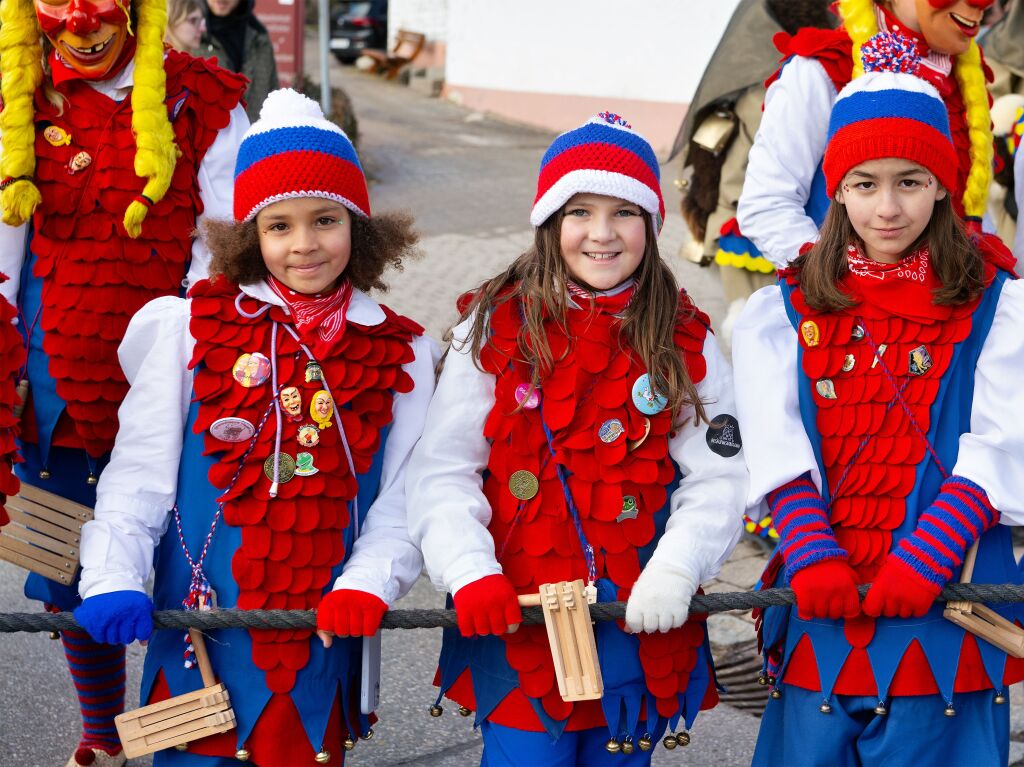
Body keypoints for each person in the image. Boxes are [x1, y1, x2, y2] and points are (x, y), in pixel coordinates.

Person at [73, 88, 438, 766]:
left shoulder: (406, 351)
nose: (304, 244)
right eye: (279, 225)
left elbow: (406, 495)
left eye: (326, 219)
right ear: (250, 234)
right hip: (196, 636)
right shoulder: (186, 324)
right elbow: (141, 470)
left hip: (317, 637)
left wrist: (370, 582)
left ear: (359, 226)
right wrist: (112, 575)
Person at [406, 113, 747, 765]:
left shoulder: (688, 336)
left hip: (637, 615)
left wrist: (678, 567)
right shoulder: (492, 324)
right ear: (547, 221)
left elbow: (720, 474)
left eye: (624, 212)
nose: (601, 233)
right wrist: (468, 568)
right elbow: (444, 467)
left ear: (651, 223)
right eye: (579, 210)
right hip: (522, 618)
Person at [733, 37, 1024, 766]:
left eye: (910, 181)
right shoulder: (786, 309)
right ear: (835, 188)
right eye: (863, 184)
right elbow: (777, 439)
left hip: (946, 602)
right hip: (821, 596)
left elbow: (1002, 435)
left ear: (944, 185)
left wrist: (932, 549)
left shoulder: (998, 305)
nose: (886, 208)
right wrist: (806, 543)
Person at [0, 0, 248, 763]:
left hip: (176, 379)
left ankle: (178, 735)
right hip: (51, 388)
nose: (80, 24)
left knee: (184, 564)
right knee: (65, 566)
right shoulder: (18, 96)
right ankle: (103, 734)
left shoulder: (202, 98)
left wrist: (194, 355)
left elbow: (228, 242)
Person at [738, 0, 996, 268]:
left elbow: (968, 209)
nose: (981, 4)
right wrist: (841, 281)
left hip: (949, 296)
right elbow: (768, 204)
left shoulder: (963, 79)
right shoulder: (822, 70)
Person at [672, 0, 836, 342]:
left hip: (745, 222)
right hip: (752, 230)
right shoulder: (776, 88)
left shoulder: (760, 79)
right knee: (760, 330)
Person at [201, 0, 279, 123]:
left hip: (256, 137)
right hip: (211, 140)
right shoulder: (190, 38)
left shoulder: (259, 37)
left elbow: (274, 95)